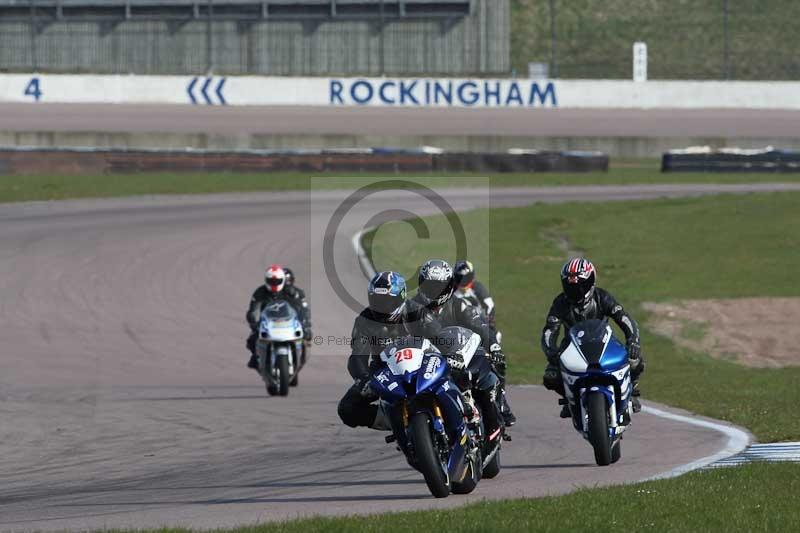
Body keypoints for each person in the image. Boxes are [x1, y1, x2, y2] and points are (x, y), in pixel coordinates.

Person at [411, 259, 516, 427]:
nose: (435, 291)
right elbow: (399, 334)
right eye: (430, 286)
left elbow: (479, 326)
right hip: (425, 361)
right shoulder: (412, 307)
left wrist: (494, 346)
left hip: (458, 356)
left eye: (439, 286)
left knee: (490, 370)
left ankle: (500, 405)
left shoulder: (458, 304)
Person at [540, 257, 644, 416]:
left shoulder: (602, 297)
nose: (577, 291)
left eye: (582, 286)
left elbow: (625, 319)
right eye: (571, 287)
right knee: (551, 377)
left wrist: (633, 341)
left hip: (605, 342)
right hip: (572, 347)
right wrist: (551, 352)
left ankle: (633, 391)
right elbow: (549, 330)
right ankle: (570, 399)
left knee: (634, 360)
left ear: (591, 282)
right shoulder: (560, 302)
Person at [337, 271, 441, 429]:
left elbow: (438, 337)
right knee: (347, 408)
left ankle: (464, 411)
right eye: (377, 301)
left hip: (422, 364)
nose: (382, 307)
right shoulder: (364, 320)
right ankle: (395, 421)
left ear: (401, 296)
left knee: (457, 374)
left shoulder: (417, 311)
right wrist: (364, 378)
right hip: (385, 370)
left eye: (387, 301)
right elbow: (358, 356)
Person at [246, 264, 312, 370]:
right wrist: (254, 323)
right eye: (271, 281)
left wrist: (306, 326)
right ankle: (256, 358)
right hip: (267, 323)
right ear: (266, 280)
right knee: (252, 339)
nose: (274, 284)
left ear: (283, 280)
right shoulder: (260, 292)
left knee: (305, 337)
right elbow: (253, 310)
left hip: (288, 323)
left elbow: (302, 310)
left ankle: (300, 358)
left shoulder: (291, 292)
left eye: (277, 281)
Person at [453, 260, 496, 329]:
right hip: (457, 325)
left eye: (466, 278)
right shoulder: (451, 290)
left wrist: (489, 321)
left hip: (477, 324)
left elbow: (490, 306)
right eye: (460, 278)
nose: (463, 282)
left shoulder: (478, 289)